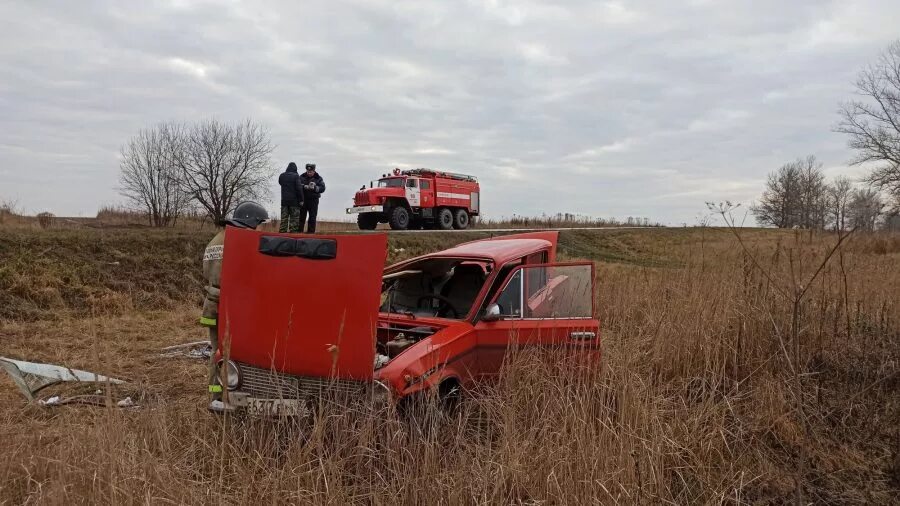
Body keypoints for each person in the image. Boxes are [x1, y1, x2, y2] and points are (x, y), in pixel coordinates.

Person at [200, 201, 268, 410]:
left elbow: (208, 274)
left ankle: (216, 396)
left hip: (212, 306)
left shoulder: (215, 241)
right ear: (250, 223)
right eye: (260, 225)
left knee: (216, 351)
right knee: (233, 353)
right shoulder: (239, 241)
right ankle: (228, 395)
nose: (261, 229)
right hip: (231, 308)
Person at [298, 162, 325, 233]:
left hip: (314, 201)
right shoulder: (302, 177)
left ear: (314, 171)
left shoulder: (318, 178)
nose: (309, 173)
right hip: (304, 200)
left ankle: (310, 233)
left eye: (311, 172)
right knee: (301, 217)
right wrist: (304, 186)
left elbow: (323, 188)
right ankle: (299, 232)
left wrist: (315, 188)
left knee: (312, 217)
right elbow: (297, 186)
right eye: (308, 171)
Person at [278, 162, 305, 233]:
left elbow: (280, 183)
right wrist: (301, 200)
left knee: (284, 219)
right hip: (294, 202)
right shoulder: (296, 176)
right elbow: (299, 189)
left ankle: (282, 235)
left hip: (284, 202)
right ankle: (292, 235)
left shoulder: (282, 176)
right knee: (294, 220)